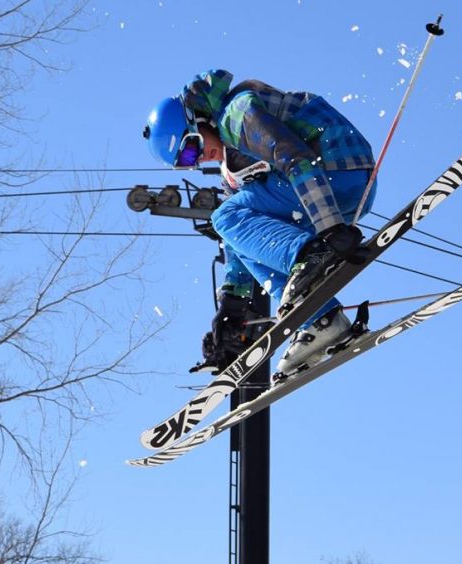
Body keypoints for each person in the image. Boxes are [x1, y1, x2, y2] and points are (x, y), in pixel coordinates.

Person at [144, 70, 376, 376]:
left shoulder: (236, 113)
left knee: (225, 216)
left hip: (333, 169)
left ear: (196, 119)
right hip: (334, 193)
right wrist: (232, 305)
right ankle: (322, 321)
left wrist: (328, 229)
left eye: (190, 147)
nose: (199, 158)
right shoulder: (232, 165)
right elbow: (240, 235)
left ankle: (308, 258)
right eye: (187, 161)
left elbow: (293, 155)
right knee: (234, 223)